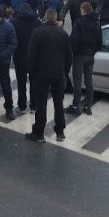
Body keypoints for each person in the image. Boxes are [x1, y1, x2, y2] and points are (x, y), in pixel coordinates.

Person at [26, 9, 72, 143]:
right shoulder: (63, 34)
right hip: (58, 73)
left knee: (41, 103)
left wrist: (31, 72)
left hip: (41, 73)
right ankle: (60, 131)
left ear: (45, 18)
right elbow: (69, 55)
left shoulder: (38, 32)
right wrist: (65, 70)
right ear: (56, 18)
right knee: (59, 103)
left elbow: (31, 55)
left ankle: (39, 132)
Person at [68, 1, 102, 115]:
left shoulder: (79, 22)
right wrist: (94, 50)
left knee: (77, 81)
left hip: (80, 54)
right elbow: (99, 40)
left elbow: (74, 39)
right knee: (89, 80)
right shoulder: (96, 22)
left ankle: (76, 105)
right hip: (91, 54)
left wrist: (73, 51)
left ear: (83, 10)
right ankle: (88, 106)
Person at [0, 5, 18, 120]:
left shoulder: (9, 27)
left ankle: (9, 109)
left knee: (6, 85)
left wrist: (3, 55)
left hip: (3, 61)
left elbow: (13, 44)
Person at [11, 2, 40, 113]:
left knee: (21, 82)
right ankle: (34, 105)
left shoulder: (14, 22)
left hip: (19, 55)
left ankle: (22, 105)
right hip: (34, 56)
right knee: (34, 81)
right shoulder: (37, 22)